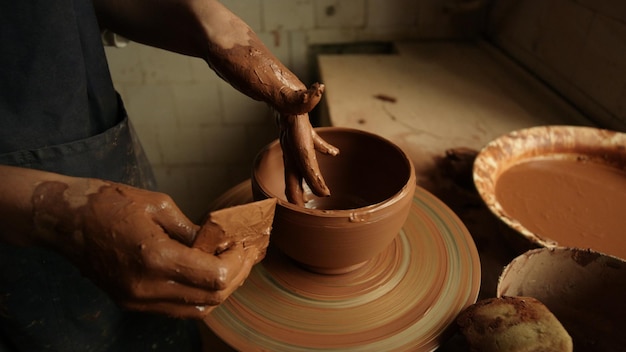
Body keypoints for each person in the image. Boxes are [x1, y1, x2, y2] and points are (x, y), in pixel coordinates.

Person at [0, 0, 338, 350]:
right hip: (13, 228)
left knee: (157, 321)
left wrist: (224, 35)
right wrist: (60, 212)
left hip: (94, 150)